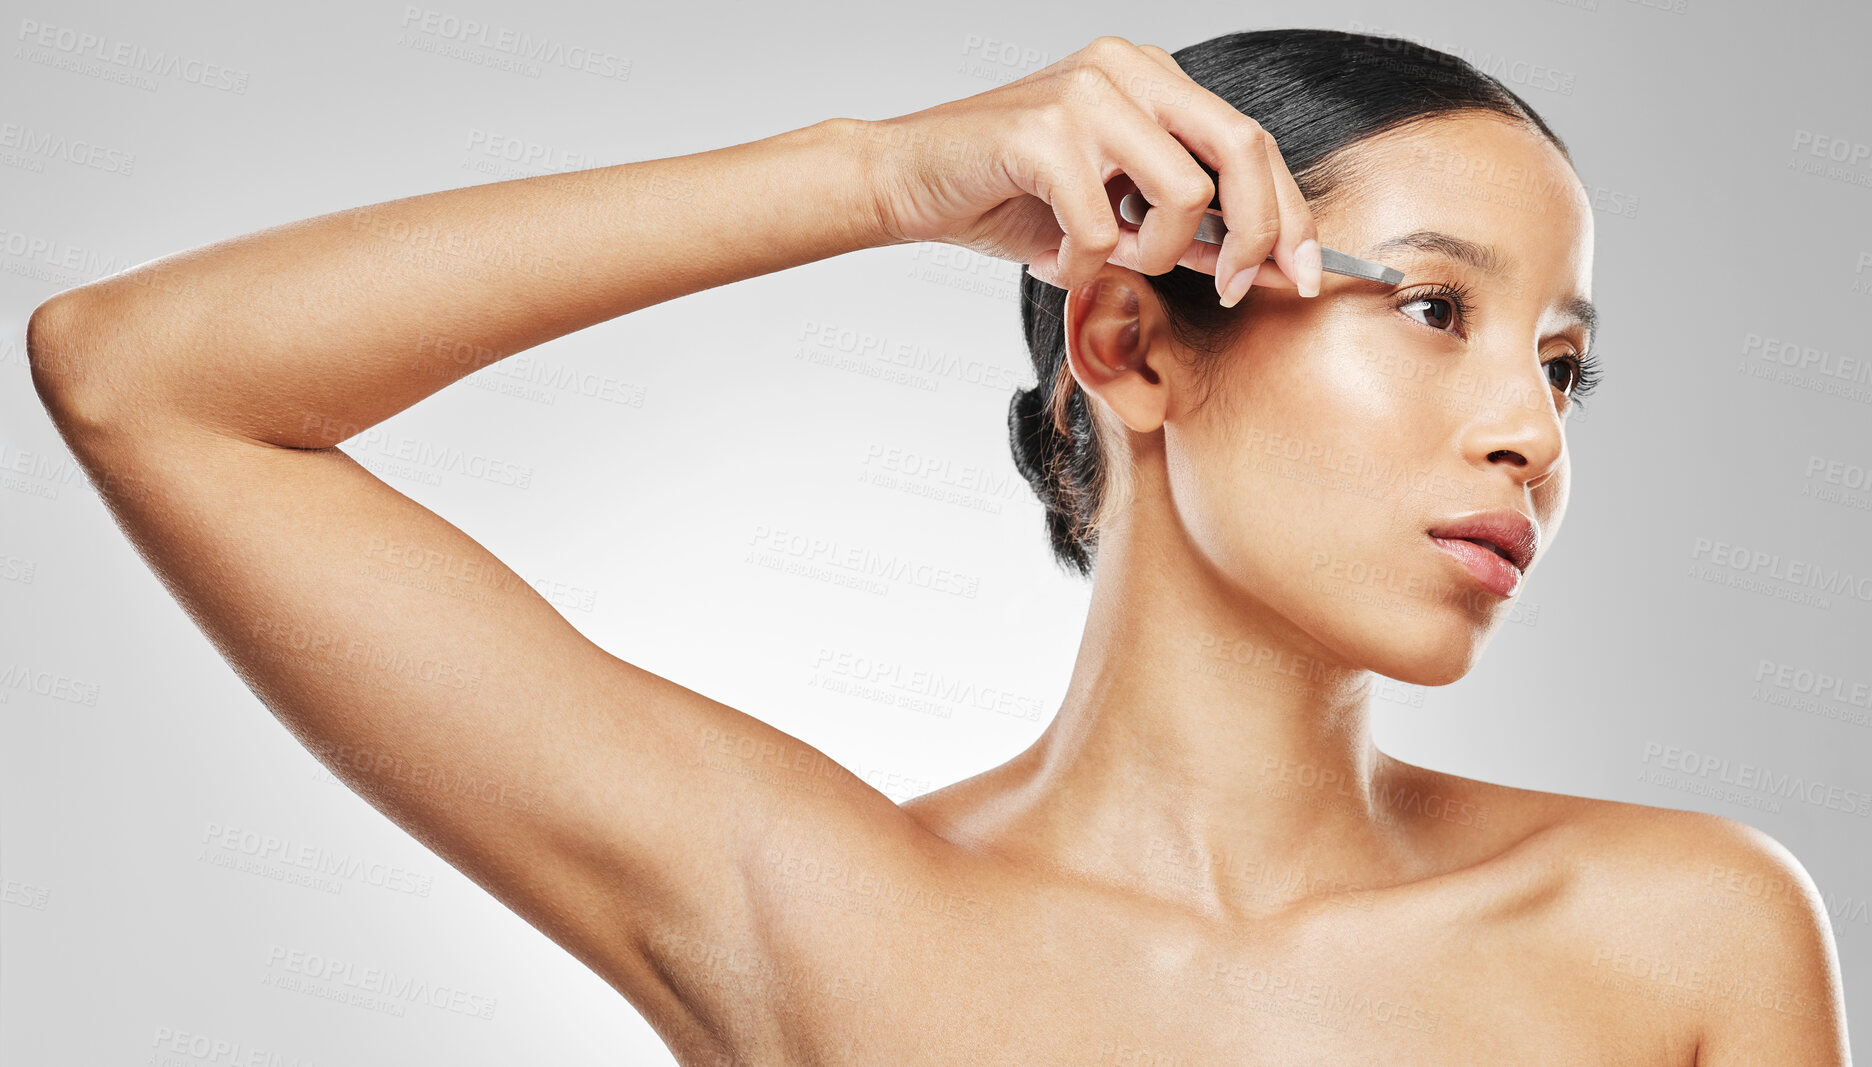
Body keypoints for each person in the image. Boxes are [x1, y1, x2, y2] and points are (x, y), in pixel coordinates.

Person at [27, 27, 1850, 1065]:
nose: (1530, 430)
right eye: (1439, 310)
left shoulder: (1683, 937)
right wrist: (875, 176)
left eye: (1564, 368)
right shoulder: (819, 916)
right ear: (1132, 344)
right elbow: (143, 379)